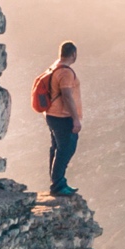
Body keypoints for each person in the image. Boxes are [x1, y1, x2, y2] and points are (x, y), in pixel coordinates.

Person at [45, 40, 82, 197]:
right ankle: (58, 184)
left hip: (52, 115)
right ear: (73, 54)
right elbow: (67, 95)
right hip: (62, 117)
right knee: (66, 149)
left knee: (57, 148)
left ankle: (57, 182)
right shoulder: (66, 72)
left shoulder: (54, 67)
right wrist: (75, 119)